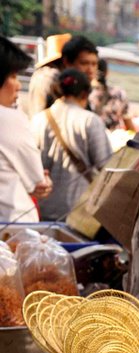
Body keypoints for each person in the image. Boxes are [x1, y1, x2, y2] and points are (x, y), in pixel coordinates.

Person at [32, 68, 112, 222]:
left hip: (42, 209)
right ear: (85, 94)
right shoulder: (90, 120)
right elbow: (105, 165)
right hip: (78, 209)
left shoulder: (38, 120)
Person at [0, 36, 52, 223]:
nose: (18, 85)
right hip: (12, 225)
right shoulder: (8, 118)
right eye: (13, 76)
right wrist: (40, 181)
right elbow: (38, 181)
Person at [28, 34, 98, 117]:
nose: (91, 70)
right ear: (66, 62)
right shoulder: (54, 80)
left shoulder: (46, 75)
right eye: (84, 63)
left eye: (94, 64)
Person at [89, 57, 134, 131]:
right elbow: (129, 126)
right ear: (107, 72)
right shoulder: (119, 93)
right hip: (112, 140)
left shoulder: (84, 93)